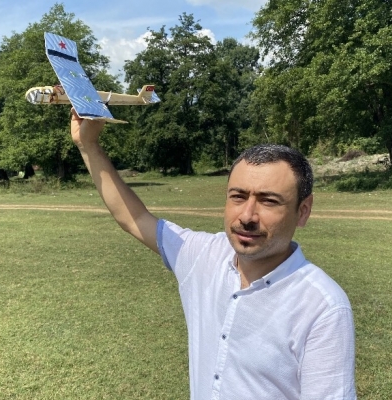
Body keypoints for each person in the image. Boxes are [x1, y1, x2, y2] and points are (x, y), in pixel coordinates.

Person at [70, 110, 356, 400]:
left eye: (269, 201)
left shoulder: (322, 307)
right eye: (238, 196)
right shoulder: (203, 256)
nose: (247, 216)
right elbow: (135, 219)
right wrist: (88, 145)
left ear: (303, 211)